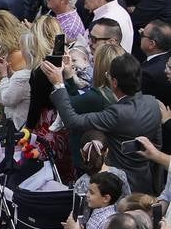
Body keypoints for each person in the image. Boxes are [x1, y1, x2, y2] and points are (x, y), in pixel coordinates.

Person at [46, 54, 163, 193]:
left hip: (119, 188)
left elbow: (73, 121)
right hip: (145, 183)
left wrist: (59, 84)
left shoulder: (117, 113)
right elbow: (157, 145)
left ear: (114, 82)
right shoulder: (153, 103)